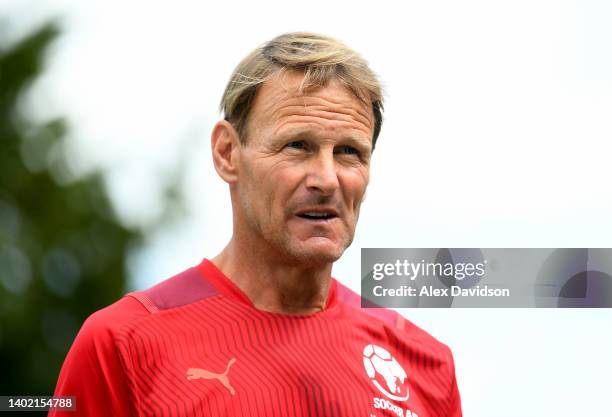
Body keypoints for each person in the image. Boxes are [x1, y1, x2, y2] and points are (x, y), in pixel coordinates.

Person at [50, 32, 462, 417]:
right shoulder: (123, 344)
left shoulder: (424, 362)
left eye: (349, 152)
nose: (327, 178)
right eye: (297, 146)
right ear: (227, 153)